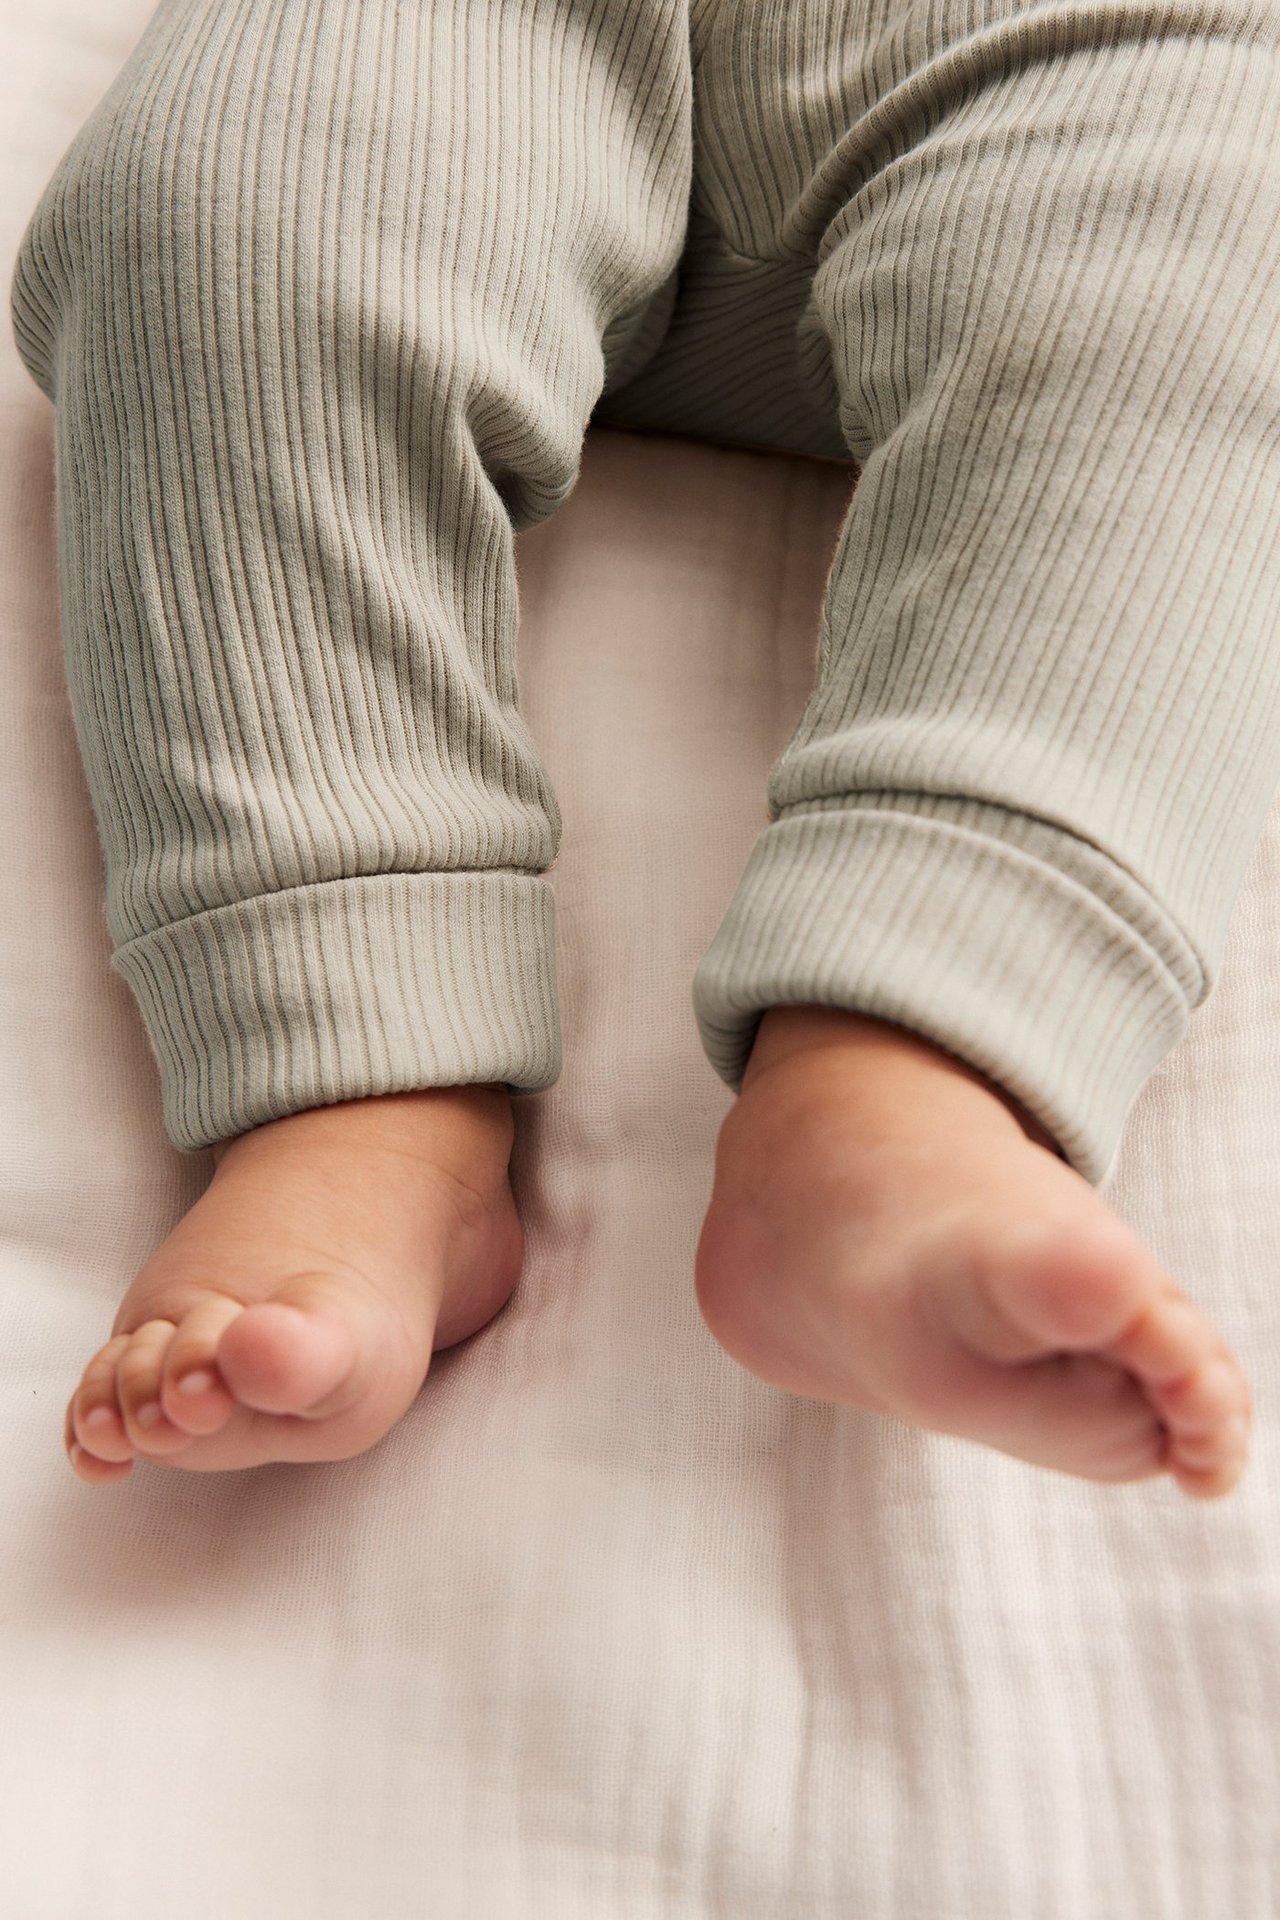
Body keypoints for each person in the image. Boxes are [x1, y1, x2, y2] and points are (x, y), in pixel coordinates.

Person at [13, 0, 1274, 1497]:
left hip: (1087, 48)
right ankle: (356, 1084)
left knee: (1227, 241)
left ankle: (905, 1070)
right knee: (220, 213)